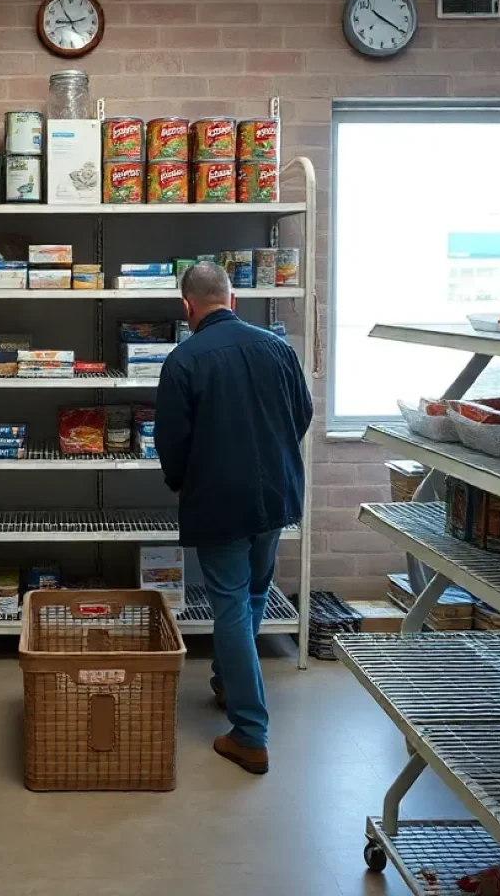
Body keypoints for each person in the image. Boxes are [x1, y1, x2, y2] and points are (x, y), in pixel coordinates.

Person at [154, 261, 313, 775]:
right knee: (252, 595)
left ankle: (249, 734)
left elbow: (171, 444)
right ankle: (228, 682)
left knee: (231, 607)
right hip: (276, 495)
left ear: (187, 307)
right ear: (233, 299)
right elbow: (302, 414)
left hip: (220, 501)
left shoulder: (183, 360)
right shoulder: (278, 348)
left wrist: (184, 482)